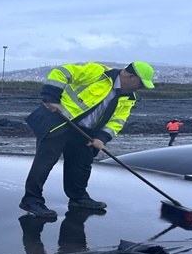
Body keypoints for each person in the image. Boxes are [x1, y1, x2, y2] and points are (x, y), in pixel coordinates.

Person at [19, 61, 155, 218]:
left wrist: (101, 138)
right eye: (141, 83)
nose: (142, 88)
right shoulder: (98, 72)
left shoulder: (129, 98)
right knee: (46, 162)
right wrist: (52, 97)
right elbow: (62, 72)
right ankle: (31, 200)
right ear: (131, 76)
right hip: (61, 121)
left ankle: (78, 198)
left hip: (85, 131)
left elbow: (117, 121)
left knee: (82, 163)